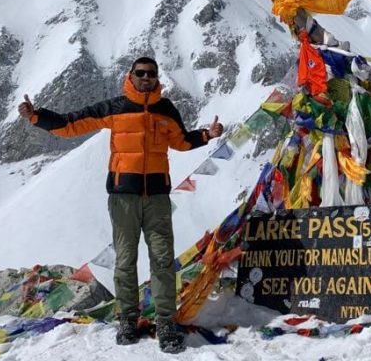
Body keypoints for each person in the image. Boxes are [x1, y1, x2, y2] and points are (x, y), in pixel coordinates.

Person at [18, 57, 223, 353]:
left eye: (151, 74)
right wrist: (37, 116)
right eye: (140, 73)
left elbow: (180, 141)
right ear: (131, 75)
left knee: (163, 260)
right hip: (122, 197)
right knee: (125, 260)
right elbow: (71, 124)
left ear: (156, 78)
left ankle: (166, 322)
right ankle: (128, 318)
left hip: (157, 197)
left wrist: (206, 135)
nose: (146, 78)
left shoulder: (165, 109)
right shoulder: (115, 107)